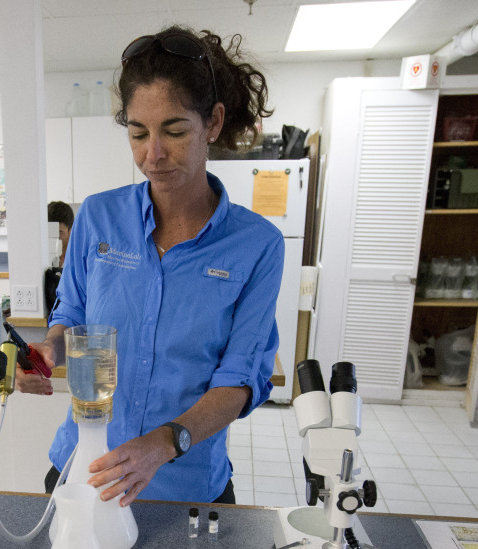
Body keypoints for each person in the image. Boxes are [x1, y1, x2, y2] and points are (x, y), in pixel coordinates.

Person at [19, 25, 283, 506]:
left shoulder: (256, 246)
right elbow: (71, 314)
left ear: (214, 123)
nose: (152, 154)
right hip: (83, 469)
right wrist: (49, 351)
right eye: (138, 133)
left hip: (183, 487)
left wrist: (163, 444)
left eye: (175, 131)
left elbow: (240, 380)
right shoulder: (99, 216)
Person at [44, 201, 75, 312]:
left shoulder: (76, 258)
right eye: (49, 232)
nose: (54, 238)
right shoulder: (42, 256)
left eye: (59, 232)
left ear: (71, 230)